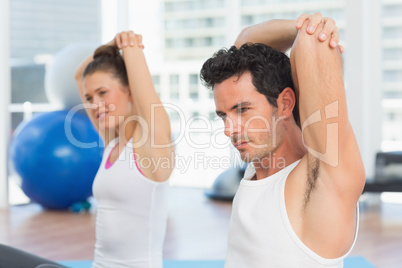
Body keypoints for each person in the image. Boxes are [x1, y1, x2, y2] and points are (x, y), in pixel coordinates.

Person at [200, 13, 364, 267]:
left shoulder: (321, 179)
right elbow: (246, 43)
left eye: (243, 110)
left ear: (285, 103)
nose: (229, 129)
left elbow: (312, 44)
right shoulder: (260, 162)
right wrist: (295, 28)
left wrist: (310, 30)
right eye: (223, 115)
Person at [74, 31, 174, 267]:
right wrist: (108, 47)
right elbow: (80, 75)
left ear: (130, 90)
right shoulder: (113, 142)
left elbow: (144, 91)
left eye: (102, 93)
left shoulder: (151, 142)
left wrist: (128, 46)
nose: (95, 105)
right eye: (89, 98)